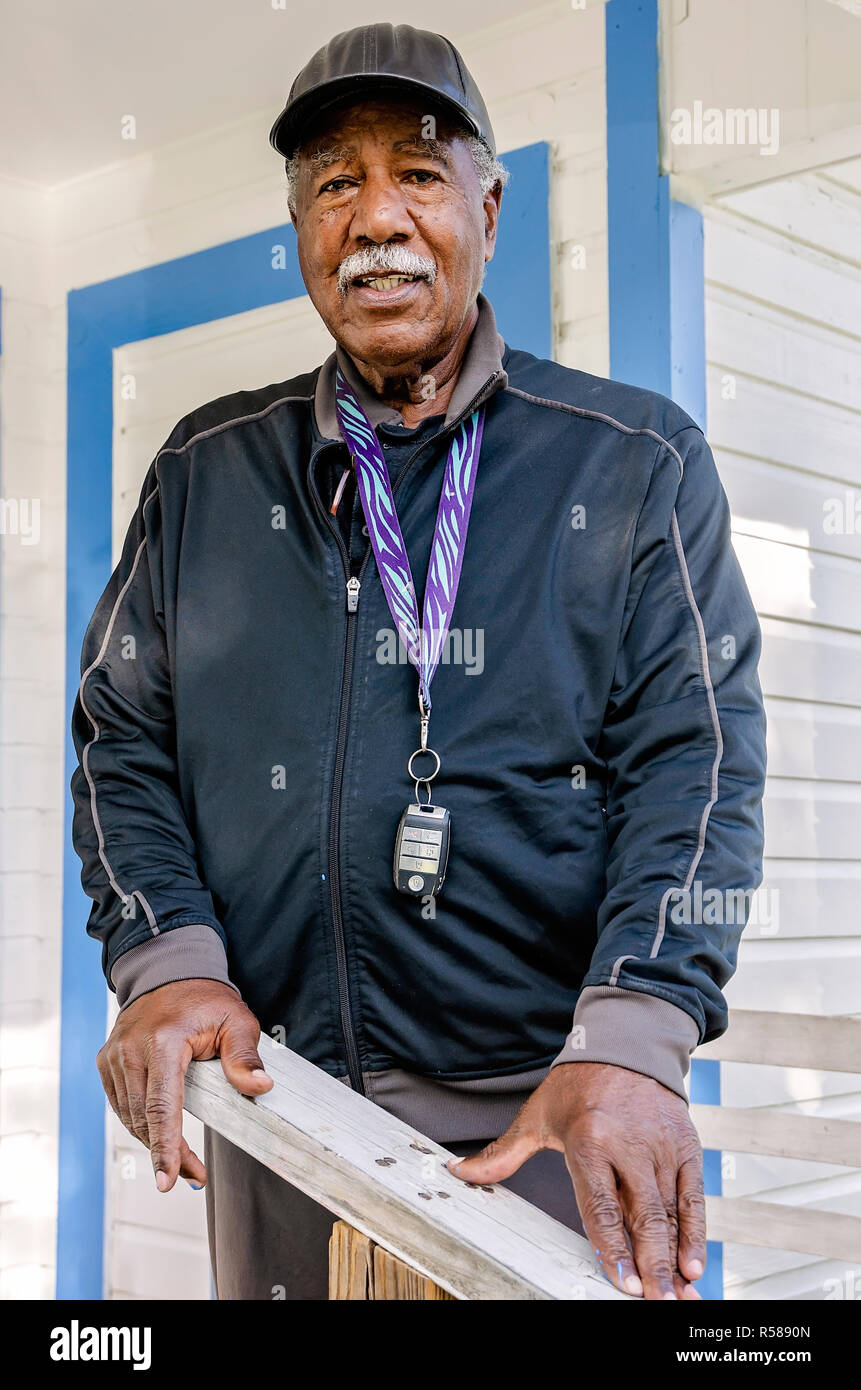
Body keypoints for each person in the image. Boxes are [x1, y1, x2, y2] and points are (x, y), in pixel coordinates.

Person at [71, 22, 766, 1302]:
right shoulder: (201, 472)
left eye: (421, 172)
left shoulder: (632, 463)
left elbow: (699, 765)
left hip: (546, 1125)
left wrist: (634, 1035)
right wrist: (168, 958)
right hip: (281, 1113)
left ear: (488, 208)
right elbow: (121, 740)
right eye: (337, 181)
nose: (378, 217)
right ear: (300, 229)